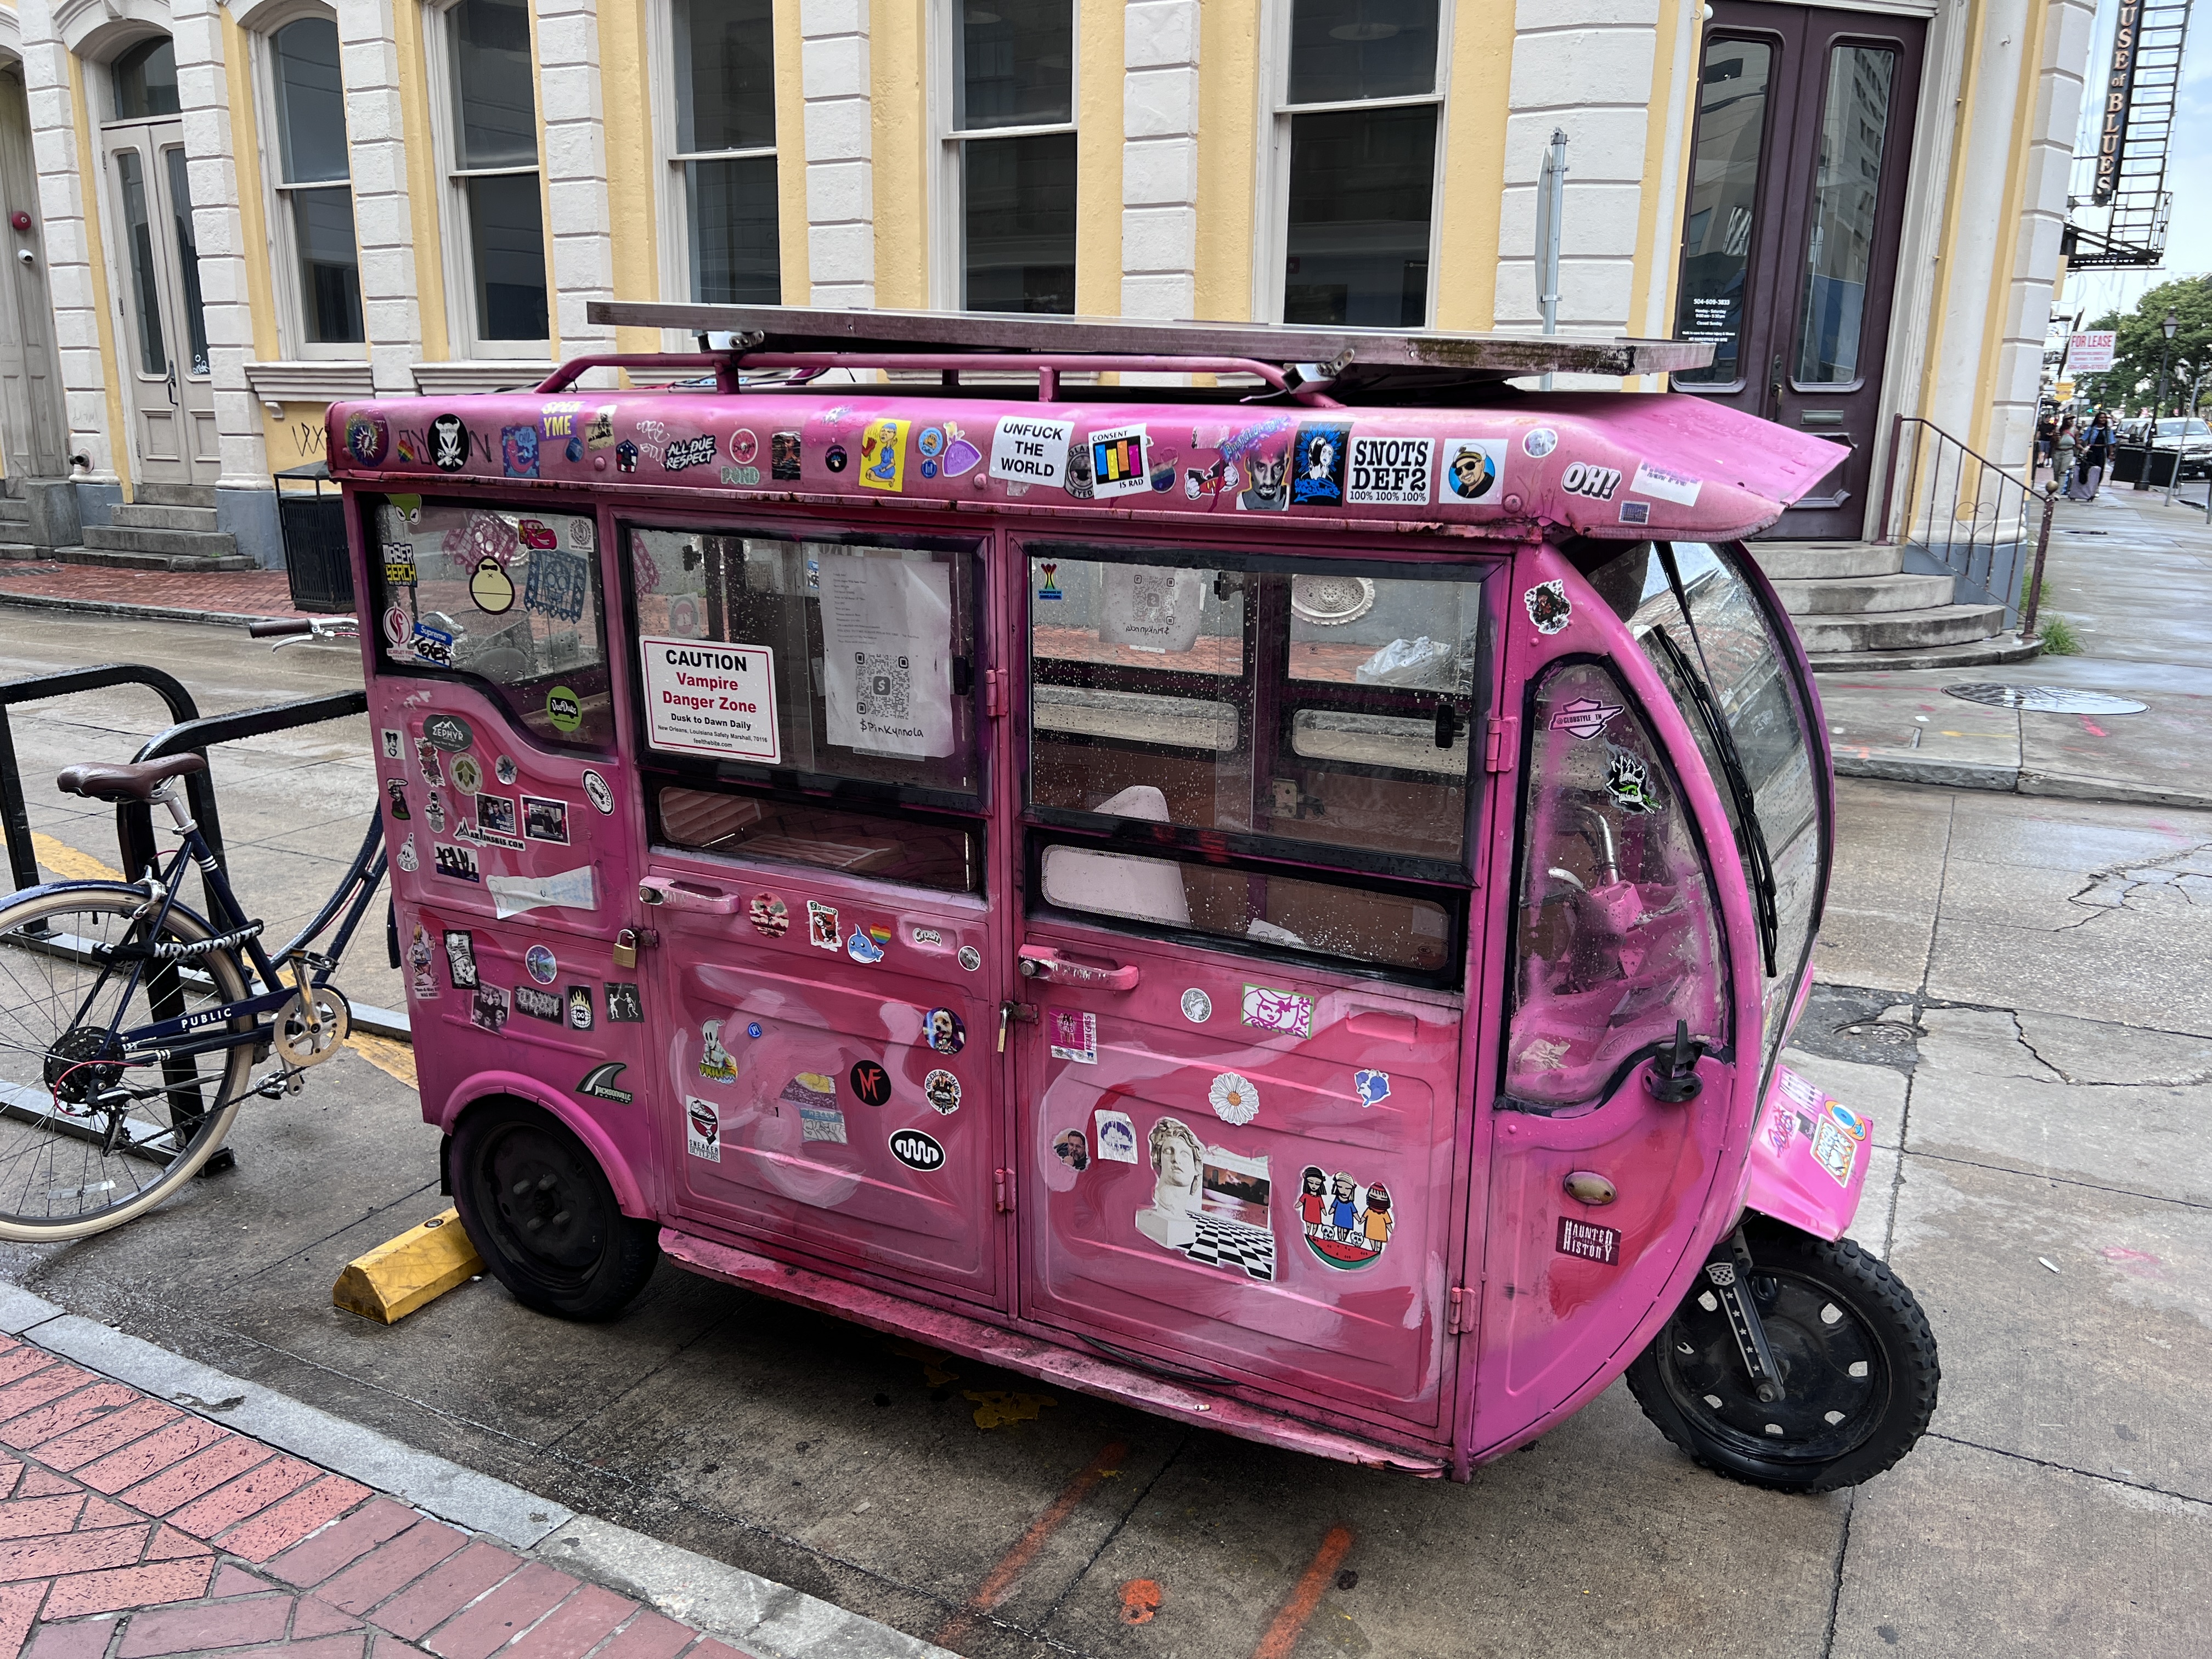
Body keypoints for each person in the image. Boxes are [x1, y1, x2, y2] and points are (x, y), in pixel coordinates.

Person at [1135, 1117, 1204, 1249]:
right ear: (1159, 1159)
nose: (1176, 1159)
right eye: (1168, 1152)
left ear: (1196, 1167)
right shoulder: (1146, 1216)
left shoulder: (1187, 1224)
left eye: (1184, 1154)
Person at [2079, 416, 2112, 500]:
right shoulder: (2092, 429)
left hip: (2102, 451)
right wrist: (2079, 443)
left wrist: (2111, 454)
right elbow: (2084, 438)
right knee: (2089, 468)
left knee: (2100, 469)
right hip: (2092, 450)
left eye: (2105, 418)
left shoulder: (2108, 430)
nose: (2103, 419)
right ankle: (2089, 486)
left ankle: (2096, 487)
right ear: (2098, 419)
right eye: (2101, 418)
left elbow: (2111, 442)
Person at [2052, 418, 2079, 498]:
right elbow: (2053, 442)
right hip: (2057, 451)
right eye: (2070, 420)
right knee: (2056, 472)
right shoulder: (2058, 429)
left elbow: (2077, 442)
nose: (2071, 422)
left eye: (2072, 421)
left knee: (2063, 472)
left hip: (2068, 452)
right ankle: (2055, 488)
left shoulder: (2075, 431)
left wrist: (2082, 450)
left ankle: (2058, 492)